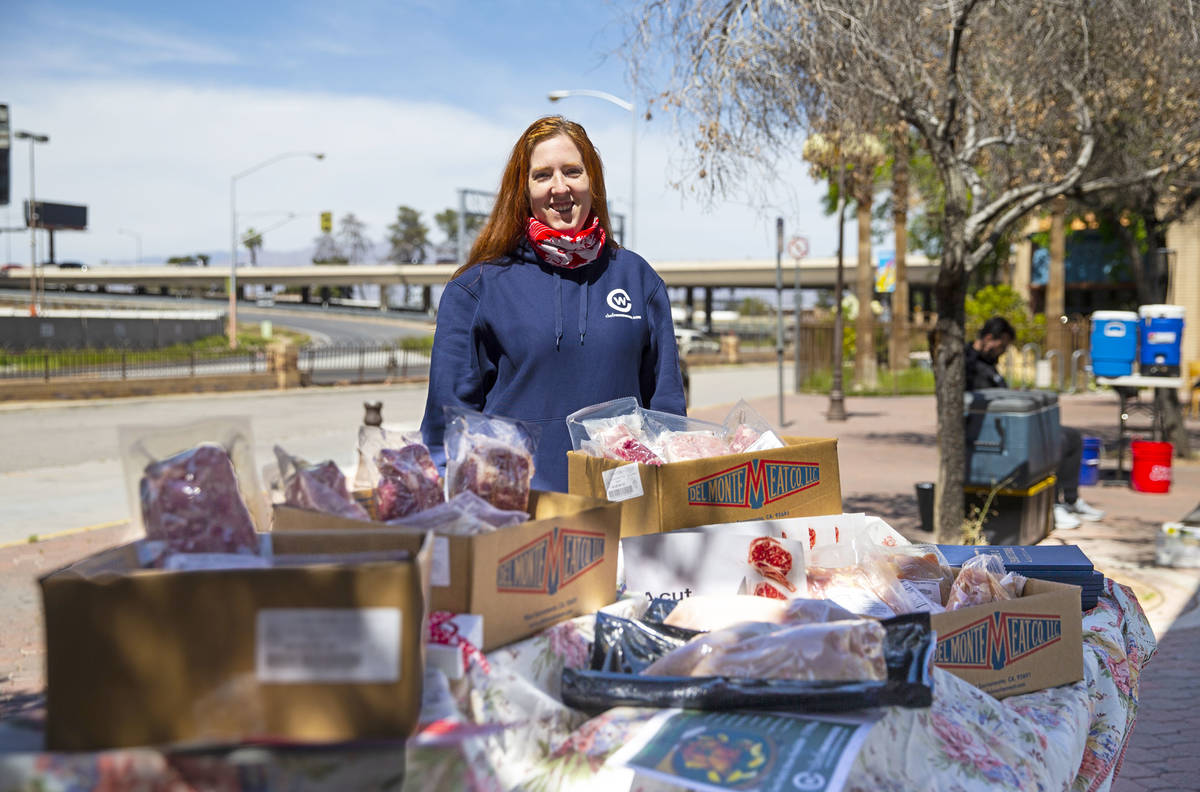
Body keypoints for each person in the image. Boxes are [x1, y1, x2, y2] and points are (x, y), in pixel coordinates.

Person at [420, 116, 686, 492]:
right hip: (517, 515)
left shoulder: (638, 279)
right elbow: (446, 428)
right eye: (542, 175)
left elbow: (668, 417)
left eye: (573, 171)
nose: (560, 187)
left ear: (592, 181)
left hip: (623, 510)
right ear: (523, 189)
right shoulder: (476, 289)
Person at [965, 317, 1104, 530]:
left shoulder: (989, 363)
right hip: (990, 432)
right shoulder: (968, 363)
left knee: (1072, 437)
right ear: (989, 338)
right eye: (1001, 346)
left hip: (1009, 423)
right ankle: (1054, 505)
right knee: (1055, 442)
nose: (1001, 352)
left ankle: (1070, 500)